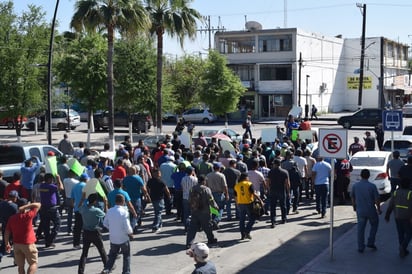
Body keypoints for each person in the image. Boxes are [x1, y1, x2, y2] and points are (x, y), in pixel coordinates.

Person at [5, 200, 41, 274]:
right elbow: (38, 205)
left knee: (20, 266)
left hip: (17, 245)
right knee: (33, 263)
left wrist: (7, 243)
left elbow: (7, 232)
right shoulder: (28, 215)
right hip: (28, 244)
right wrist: (26, 206)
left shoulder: (12, 218)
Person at [102, 194, 134, 274]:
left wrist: (112, 228)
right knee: (126, 256)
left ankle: (107, 269)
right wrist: (130, 233)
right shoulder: (124, 212)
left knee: (112, 255)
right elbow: (127, 226)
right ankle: (126, 272)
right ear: (123, 201)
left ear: (115, 201)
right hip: (123, 238)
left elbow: (105, 223)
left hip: (113, 238)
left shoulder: (109, 211)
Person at [351, 169, 381, 253]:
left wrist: (354, 206)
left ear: (361, 175)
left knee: (360, 229)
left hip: (360, 210)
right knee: (374, 225)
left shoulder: (355, 186)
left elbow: (352, 197)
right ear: (369, 176)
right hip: (371, 210)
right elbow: (376, 199)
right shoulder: (372, 186)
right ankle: (370, 241)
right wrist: (379, 209)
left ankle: (361, 247)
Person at [78, 193, 108, 274]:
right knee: (101, 250)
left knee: (84, 253)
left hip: (86, 232)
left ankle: (80, 271)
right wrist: (105, 204)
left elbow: (78, 207)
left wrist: (82, 199)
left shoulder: (84, 209)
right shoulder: (96, 210)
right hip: (95, 232)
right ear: (95, 201)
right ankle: (107, 266)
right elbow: (105, 214)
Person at [186, 175, 218, 248]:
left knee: (192, 228)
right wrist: (215, 207)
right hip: (205, 211)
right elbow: (211, 200)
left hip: (194, 211)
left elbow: (189, 200)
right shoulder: (206, 189)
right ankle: (211, 239)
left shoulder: (192, 189)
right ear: (204, 181)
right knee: (207, 226)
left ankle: (189, 243)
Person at [385, 178, 412, 258]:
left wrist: (387, 215)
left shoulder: (396, 192)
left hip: (397, 216)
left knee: (400, 233)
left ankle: (402, 250)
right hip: (407, 216)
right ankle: (403, 247)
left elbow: (391, 204)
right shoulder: (410, 193)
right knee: (409, 233)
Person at [234, 172, 263, 240]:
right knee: (252, 218)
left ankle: (242, 235)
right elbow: (254, 193)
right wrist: (260, 200)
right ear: (246, 178)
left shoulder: (236, 186)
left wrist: (237, 203)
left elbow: (235, 196)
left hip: (240, 204)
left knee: (242, 220)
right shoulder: (249, 184)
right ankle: (247, 231)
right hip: (249, 203)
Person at [39, 173, 63, 248]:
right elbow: (61, 188)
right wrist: (58, 179)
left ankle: (47, 242)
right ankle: (50, 239)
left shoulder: (42, 186)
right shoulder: (51, 186)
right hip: (51, 208)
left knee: (46, 225)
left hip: (43, 208)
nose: (53, 180)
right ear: (49, 179)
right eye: (52, 179)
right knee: (57, 223)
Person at [268, 159, 290, 227]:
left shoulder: (271, 171)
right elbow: (287, 183)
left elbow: (268, 182)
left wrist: (268, 189)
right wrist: (288, 191)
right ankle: (284, 219)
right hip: (281, 190)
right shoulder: (285, 172)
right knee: (283, 205)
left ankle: (273, 221)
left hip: (273, 190)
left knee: (273, 207)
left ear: (275, 164)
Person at [206, 163, 229, 229]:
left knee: (213, 208)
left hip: (210, 193)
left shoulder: (208, 175)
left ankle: (213, 221)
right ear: (219, 168)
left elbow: (206, 185)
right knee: (220, 208)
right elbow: (225, 186)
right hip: (219, 193)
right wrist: (227, 194)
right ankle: (216, 220)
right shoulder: (221, 175)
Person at [0, 190, 19, 262]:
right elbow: (17, 218)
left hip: (4, 226)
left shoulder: (2, 204)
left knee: (4, 243)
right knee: (16, 243)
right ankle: (16, 259)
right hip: (13, 228)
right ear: (14, 197)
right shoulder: (14, 206)